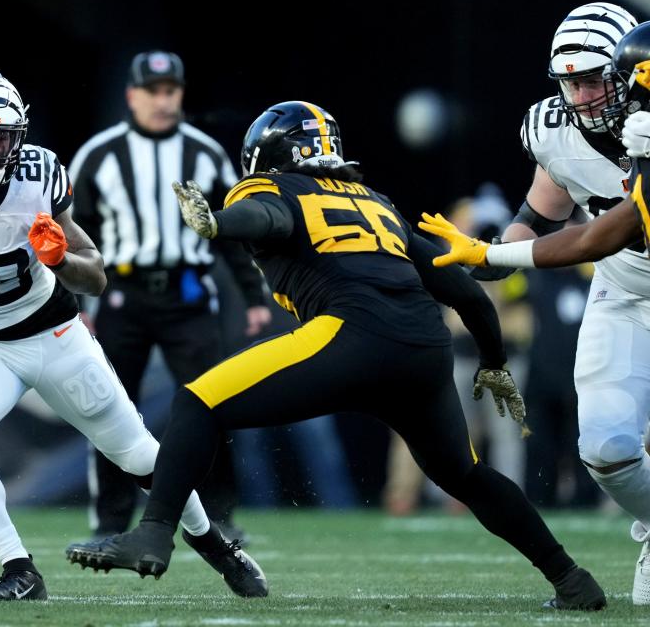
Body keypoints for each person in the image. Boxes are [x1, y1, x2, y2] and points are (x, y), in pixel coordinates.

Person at [65, 100, 607, 611]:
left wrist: (219, 225)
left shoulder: (269, 188)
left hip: (353, 335)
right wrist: (493, 362)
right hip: (423, 348)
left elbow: (268, 219)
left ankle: (154, 534)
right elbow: (464, 293)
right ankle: (571, 579)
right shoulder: (376, 202)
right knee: (465, 474)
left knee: (197, 403)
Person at [0, 68, 268, 601]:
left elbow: (94, 271)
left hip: (54, 335)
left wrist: (60, 257)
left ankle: (215, 546)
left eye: (2, 137)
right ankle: (19, 570)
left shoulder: (38, 175)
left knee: (139, 455)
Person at [420, 8, 650, 606]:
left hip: (615, 261)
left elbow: (603, 235)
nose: (583, 94)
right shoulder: (552, 128)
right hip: (625, 294)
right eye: (570, 82)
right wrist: (485, 255)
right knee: (605, 449)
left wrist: (499, 257)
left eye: (596, 78)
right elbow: (539, 214)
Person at [70, 50, 270, 538]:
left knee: (212, 403)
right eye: (153, 91)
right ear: (132, 95)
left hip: (188, 297)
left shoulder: (204, 153)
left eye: (171, 91)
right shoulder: (99, 154)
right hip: (120, 297)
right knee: (109, 408)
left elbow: (235, 232)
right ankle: (110, 521)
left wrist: (257, 298)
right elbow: (73, 238)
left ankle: (219, 517)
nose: (163, 101)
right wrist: (76, 308)